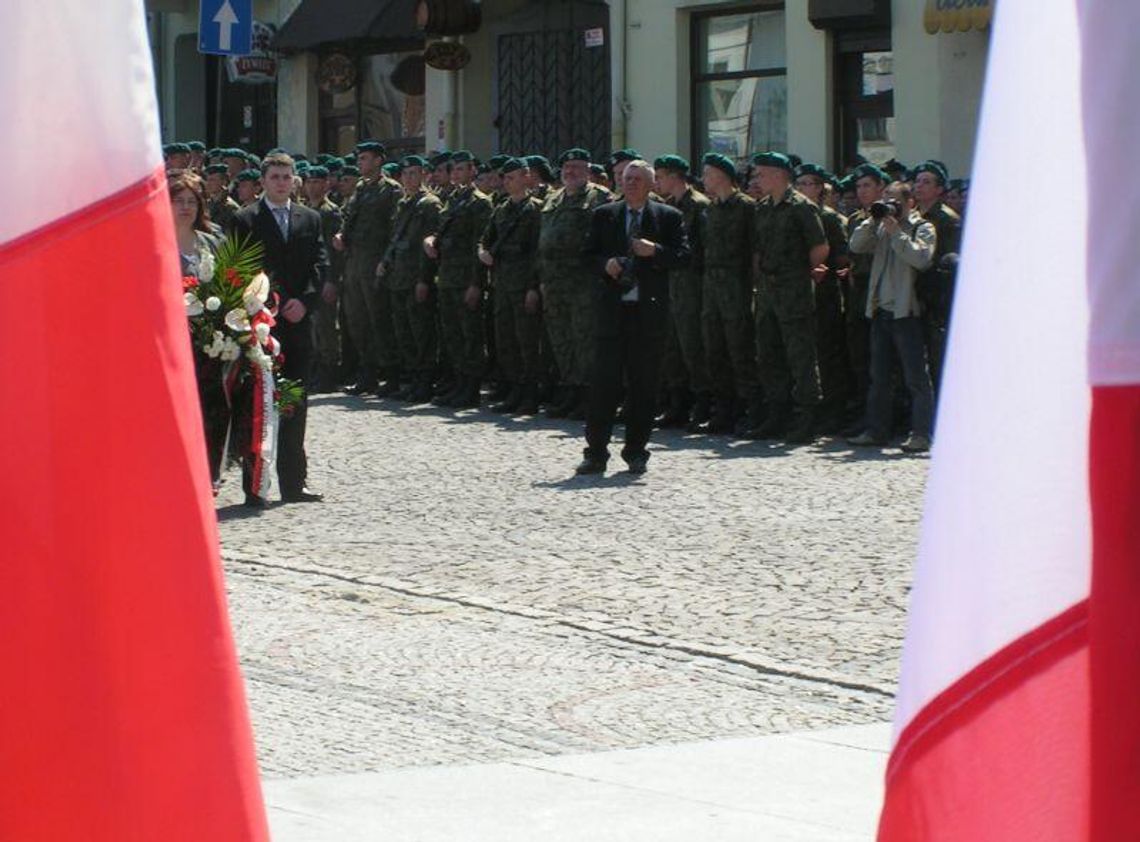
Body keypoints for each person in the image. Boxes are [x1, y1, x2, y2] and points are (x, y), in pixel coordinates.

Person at [576, 160, 690, 475]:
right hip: (612, 313)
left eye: (638, 179)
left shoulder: (668, 217)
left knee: (644, 387)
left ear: (651, 184)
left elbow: (683, 257)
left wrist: (655, 251)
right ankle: (595, 452)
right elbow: (585, 256)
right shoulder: (605, 215)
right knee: (603, 386)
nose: (631, 184)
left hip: (647, 313)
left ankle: (636, 451)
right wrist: (605, 265)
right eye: (627, 179)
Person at [231, 153, 329, 503]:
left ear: (295, 181)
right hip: (261, 324)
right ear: (263, 181)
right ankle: (254, 485)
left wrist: (304, 301)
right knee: (256, 403)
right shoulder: (245, 219)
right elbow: (244, 268)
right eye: (275, 177)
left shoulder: (310, 218)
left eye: (287, 177)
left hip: (299, 324)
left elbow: (320, 264)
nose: (281, 182)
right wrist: (277, 300)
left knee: (294, 403)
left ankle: (293, 482)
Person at [847, 180, 937, 453]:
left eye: (894, 200)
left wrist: (897, 231)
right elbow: (856, 245)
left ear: (910, 203)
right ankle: (877, 431)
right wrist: (873, 220)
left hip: (907, 311)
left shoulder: (922, 227)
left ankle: (921, 433)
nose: (888, 204)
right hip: (880, 310)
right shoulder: (881, 226)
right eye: (885, 198)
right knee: (880, 377)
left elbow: (921, 258)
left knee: (916, 379)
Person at [750, 151, 829, 444]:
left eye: (762, 173)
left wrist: (800, 274)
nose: (757, 179)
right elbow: (758, 249)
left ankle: (807, 417)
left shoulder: (801, 207)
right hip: (769, 291)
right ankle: (777, 414)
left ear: (778, 174)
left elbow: (819, 248)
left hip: (793, 290)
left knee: (800, 356)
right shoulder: (763, 208)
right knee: (769, 354)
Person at [538, 148, 613, 419]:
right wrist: (542, 280)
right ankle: (570, 389)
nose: (571, 172)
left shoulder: (599, 197)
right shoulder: (553, 198)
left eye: (578, 167)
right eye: (567, 167)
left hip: (584, 283)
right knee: (561, 339)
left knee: (585, 340)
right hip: (555, 282)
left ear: (588, 170)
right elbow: (542, 243)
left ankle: (589, 395)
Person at [423, 150, 494, 408]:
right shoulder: (452, 200)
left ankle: (472, 387)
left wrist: (477, 283)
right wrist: (431, 240)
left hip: (466, 278)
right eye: (454, 171)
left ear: (473, 171)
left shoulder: (480, 203)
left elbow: (481, 244)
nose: (457, 175)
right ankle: (459, 382)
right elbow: (441, 232)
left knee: (470, 335)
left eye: (463, 169)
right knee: (452, 334)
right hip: (448, 277)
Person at [171, 170, 227, 486]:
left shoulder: (210, 242)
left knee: (212, 407)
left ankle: (209, 473)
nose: (185, 207)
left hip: (209, 341)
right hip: (171, 342)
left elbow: (228, 283)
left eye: (192, 201)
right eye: (178, 200)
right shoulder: (155, 241)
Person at [334, 141, 402, 396]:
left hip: (375, 262)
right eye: (359, 159)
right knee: (356, 319)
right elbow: (349, 219)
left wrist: (385, 262)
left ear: (378, 160)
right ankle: (368, 372)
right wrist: (341, 235)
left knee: (380, 319)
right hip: (354, 262)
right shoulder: (360, 189)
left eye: (364, 158)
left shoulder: (391, 190)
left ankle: (392, 374)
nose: (360, 163)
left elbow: (395, 230)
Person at [698, 152, 758, 434]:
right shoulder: (710, 209)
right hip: (712, 288)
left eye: (708, 173)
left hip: (738, 287)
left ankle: (750, 409)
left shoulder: (746, 207)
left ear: (722, 175)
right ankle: (724, 409)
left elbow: (754, 250)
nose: (704, 178)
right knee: (715, 350)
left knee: (740, 349)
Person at [478, 157, 544, 415]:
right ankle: (515, 389)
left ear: (526, 177)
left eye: (512, 177)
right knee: (505, 340)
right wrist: (482, 252)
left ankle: (530, 393)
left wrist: (533, 287)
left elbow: (538, 252)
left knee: (527, 340)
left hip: (523, 284)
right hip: (502, 284)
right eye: (505, 178)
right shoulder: (501, 209)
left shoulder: (536, 209)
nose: (507, 182)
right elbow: (485, 240)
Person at [654, 154, 711, 430]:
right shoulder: (666, 207)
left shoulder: (699, 206)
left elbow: (701, 250)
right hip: (669, 283)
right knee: (671, 346)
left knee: (692, 345)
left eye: (661, 176)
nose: (657, 182)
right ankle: (677, 403)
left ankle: (702, 402)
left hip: (691, 284)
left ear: (675, 176)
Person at [794, 162, 852, 433]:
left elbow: (841, 256)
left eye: (809, 183)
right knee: (805, 354)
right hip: (798, 292)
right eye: (800, 183)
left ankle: (833, 411)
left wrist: (824, 270)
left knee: (828, 354)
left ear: (820, 188)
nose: (804, 188)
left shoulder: (829, 218)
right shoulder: (795, 214)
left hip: (825, 293)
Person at [382, 155, 442, 403]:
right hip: (399, 277)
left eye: (414, 174)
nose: (409, 178)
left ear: (425, 176)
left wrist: (424, 279)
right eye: (406, 174)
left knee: (421, 332)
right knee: (403, 331)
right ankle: (412, 379)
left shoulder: (430, 204)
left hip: (416, 276)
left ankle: (425, 381)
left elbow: (430, 246)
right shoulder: (404, 203)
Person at [912, 159, 962, 398]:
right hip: (912, 293)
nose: (919, 186)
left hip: (935, 298)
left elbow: (946, 262)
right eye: (917, 181)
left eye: (926, 182)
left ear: (939, 189)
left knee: (937, 358)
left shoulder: (947, 219)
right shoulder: (912, 216)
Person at [302, 165, 344, 393]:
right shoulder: (305, 209)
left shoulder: (330, 212)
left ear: (326, 184)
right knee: (313, 328)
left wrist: (331, 280)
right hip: (310, 276)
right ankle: (316, 370)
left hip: (325, 276)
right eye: (309, 182)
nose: (312, 187)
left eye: (317, 182)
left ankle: (329, 374)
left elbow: (333, 251)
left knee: (327, 327)